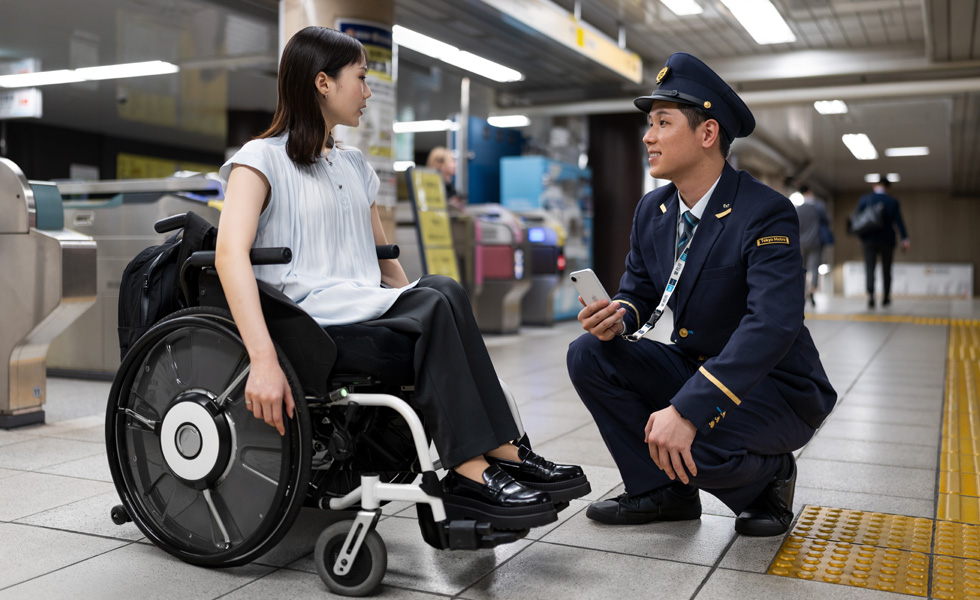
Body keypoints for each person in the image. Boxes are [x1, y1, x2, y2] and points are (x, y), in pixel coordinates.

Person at [215, 26, 588, 530]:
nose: (368, 92)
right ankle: (470, 468)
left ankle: (502, 452)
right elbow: (229, 256)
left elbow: (385, 260)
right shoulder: (258, 160)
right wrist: (262, 359)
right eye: (361, 79)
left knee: (443, 291)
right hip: (307, 318)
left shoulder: (352, 163)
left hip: (356, 303)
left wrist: (420, 299)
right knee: (434, 302)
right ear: (323, 82)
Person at [566, 53, 837, 537]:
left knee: (686, 436)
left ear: (707, 134)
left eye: (662, 123)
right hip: (696, 363)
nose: (647, 137)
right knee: (590, 354)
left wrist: (688, 409)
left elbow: (772, 323)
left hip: (772, 385)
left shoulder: (764, 211)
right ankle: (662, 493)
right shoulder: (655, 209)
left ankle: (768, 479)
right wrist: (620, 316)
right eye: (649, 124)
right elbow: (640, 291)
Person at [856, 175, 910, 308]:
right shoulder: (892, 201)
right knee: (887, 269)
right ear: (889, 188)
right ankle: (886, 297)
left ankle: (871, 297)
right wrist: (904, 238)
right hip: (887, 240)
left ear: (875, 186)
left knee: (870, 268)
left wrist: (861, 236)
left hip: (868, 240)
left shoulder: (865, 199)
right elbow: (899, 222)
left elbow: (858, 220)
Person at [794, 184, 831, 306]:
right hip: (816, 242)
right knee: (814, 268)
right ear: (810, 191)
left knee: (801, 269)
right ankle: (812, 291)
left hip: (801, 243)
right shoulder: (818, 207)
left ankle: (802, 293)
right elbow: (826, 221)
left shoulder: (798, 209)